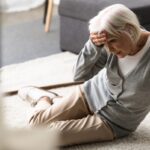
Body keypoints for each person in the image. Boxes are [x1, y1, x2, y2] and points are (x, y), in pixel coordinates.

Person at [18, 4, 150, 146]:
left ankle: (56, 100)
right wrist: (94, 45)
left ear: (129, 29)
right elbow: (79, 77)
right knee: (36, 123)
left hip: (113, 122)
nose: (110, 49)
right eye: (106, 43)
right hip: (88, 94)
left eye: (113, 41)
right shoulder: (110, 46)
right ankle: (44, 98)